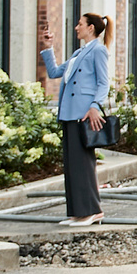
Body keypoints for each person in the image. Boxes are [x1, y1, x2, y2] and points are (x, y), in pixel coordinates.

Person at [39, 14, 113, 228]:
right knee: (72, 165)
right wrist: (48, 46)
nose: (76, 27)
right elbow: (54, 72)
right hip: (69, 113)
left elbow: (103, 82)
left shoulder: (98, 50)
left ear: (91, 28)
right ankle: (77, 212)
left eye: (80, 24)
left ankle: (92, 211)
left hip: (83, 113)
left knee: (83, 164)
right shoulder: (79, 52)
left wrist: (95, 106)